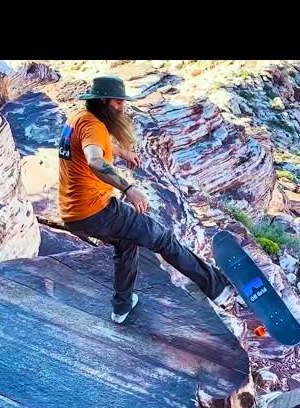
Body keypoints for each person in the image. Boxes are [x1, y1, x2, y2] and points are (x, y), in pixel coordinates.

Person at [58, 75, 233, 323]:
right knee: (162, 238)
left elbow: (93, 145)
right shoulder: (94, 126)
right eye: (118, 102)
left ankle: (122, 306)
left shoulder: (78, 119)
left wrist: (120, 151)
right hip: (97, 210)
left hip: (74, 214)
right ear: (104, 101)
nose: (122, 107)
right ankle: (219, 287)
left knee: (126, 243)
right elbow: (95, 161)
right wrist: (129, 188)